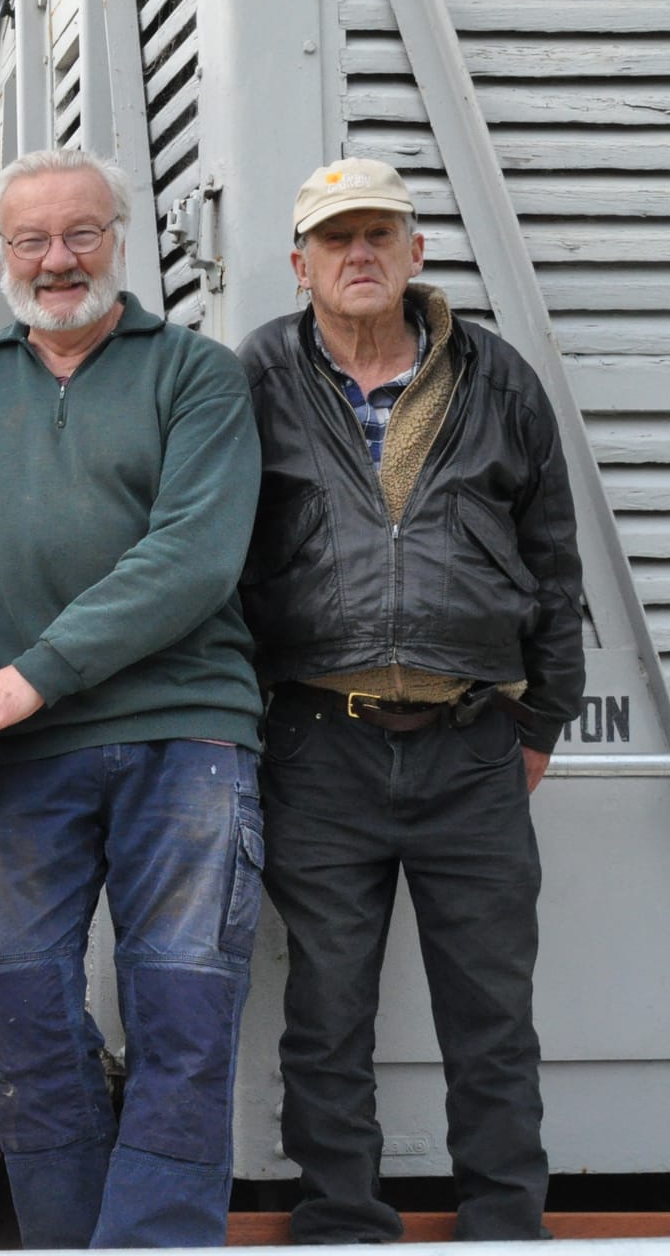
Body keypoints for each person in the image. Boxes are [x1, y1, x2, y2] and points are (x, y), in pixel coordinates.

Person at [0, 148, 266, 1248]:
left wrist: (18, 682)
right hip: (18, 750)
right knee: (17, 1009)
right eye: (29, 239)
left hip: (182, 729)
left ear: (119, 236)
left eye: (79, 233)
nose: (55, 260)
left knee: (182, 1010)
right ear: (0, 253)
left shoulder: (194, 374)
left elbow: (192, 559)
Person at [237, 157, 586, 1244]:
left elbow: (552, 554)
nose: (356, 255)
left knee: (490, 1015)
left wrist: (540, 720)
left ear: (413, 251)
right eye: (333, 238)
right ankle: (341, 1218)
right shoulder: (254, 374)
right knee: (325, 1009)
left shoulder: (496, 376)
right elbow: (220, 556)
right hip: (316, 739)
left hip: (471, 740)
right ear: (298, 262)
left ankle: (502, 1222)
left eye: (376, 234)